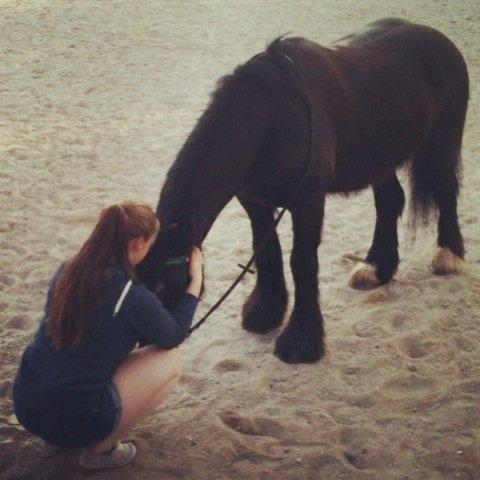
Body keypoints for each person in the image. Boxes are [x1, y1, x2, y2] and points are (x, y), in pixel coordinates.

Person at [12, 201, 204, 469]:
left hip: (25, 404)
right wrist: (195, 281)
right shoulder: (131, 296)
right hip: (72, 421)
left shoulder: (68, 270)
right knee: (169, 361)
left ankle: (64, 432)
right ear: (137, 243)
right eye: (149, 244)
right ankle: (101, 451)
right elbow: (173, 335)